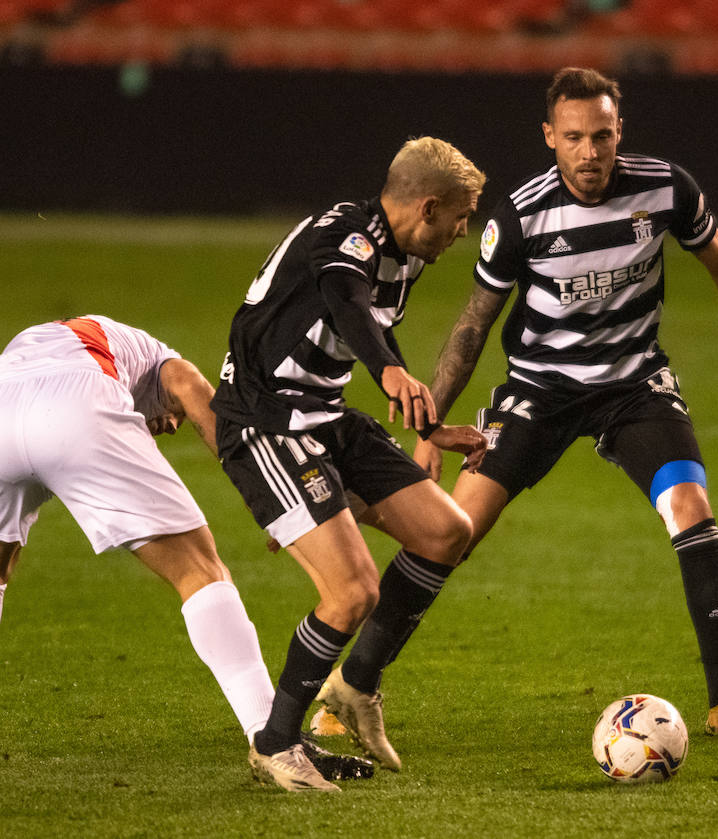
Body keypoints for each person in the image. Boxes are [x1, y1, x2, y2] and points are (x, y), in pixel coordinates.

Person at [411, 67, 718, 739]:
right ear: (550, 137)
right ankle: (348, 688)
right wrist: (427, 430)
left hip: (632, 387)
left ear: (619, 130)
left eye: (601, 135)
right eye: (574, 137)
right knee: (451, 530)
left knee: (690, 504)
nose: (590, 151)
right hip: (540, 389)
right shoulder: (520, 216)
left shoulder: (664, 188)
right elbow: (473, 326)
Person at [0, 314, 369, 792]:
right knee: (200, 569)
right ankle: (273, 740)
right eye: (168, 417)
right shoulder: (164, 363)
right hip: (77, 405)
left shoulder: (54, 345)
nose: (168, 427)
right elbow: (203, 407)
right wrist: (272, 502)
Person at [211, 137, 489, 777]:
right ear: (427, 208)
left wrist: (431, 424)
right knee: (353, 590)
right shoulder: (344, 237)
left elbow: (367, 322)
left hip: (324, 417)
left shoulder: (406, 254)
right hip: (266, 424)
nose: (461, 231)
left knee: (448, 531)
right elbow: (347, 301)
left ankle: (356, 687)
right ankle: (276, 745)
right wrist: (391, 373)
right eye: (460, 217)